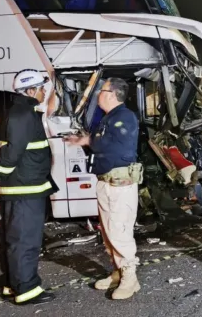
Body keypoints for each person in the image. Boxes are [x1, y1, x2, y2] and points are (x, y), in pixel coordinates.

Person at [64, 77, 143, 300]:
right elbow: (100, 141)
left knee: (119, 231)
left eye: (101, 90)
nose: (98, 93)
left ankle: (130, 278)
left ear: (111, 94)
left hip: (120, 186)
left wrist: (88, 140)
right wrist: (85, 140)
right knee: (108, 233)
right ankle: (118, 272)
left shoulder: (124, 117)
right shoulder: (108, 118)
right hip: (105, 182)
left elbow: (107, 143)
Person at [0, 69, 58, 305]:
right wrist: (0, 173)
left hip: (21, 188)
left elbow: (5, 148)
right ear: (30, 90)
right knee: (25, 240)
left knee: (14, 239)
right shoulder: (24, 114)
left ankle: (12, 284)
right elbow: (12, 152)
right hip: (25, 189)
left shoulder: (19, 112)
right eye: (41, 88)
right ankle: (27, 290)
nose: (43, 92)